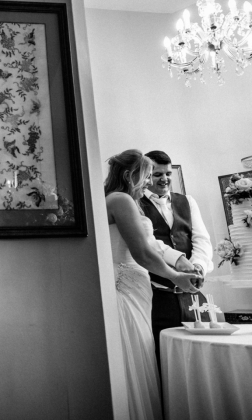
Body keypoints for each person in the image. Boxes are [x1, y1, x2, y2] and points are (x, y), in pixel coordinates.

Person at [105, 149, 199, 420]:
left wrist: (180, 261)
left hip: (136, 285)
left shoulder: (123, 200)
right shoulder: (120, 199)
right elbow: (142, 253)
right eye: (147, 176)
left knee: (139, 350)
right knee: (132, 352)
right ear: (128, 175)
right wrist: (175, 276)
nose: (149, 182)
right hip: (125, 284)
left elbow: (151, 247)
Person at [140, 150, 214, 367]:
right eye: (157, 174)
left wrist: (197, 267)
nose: (164, 179)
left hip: (193, 296)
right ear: (146, 176)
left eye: (168, 173)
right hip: (157, 296)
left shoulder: (187, 201)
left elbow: (201, 239)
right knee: (164, 358)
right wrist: (179, 262)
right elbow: (148, 242)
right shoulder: (134, 202)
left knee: (202, 357)